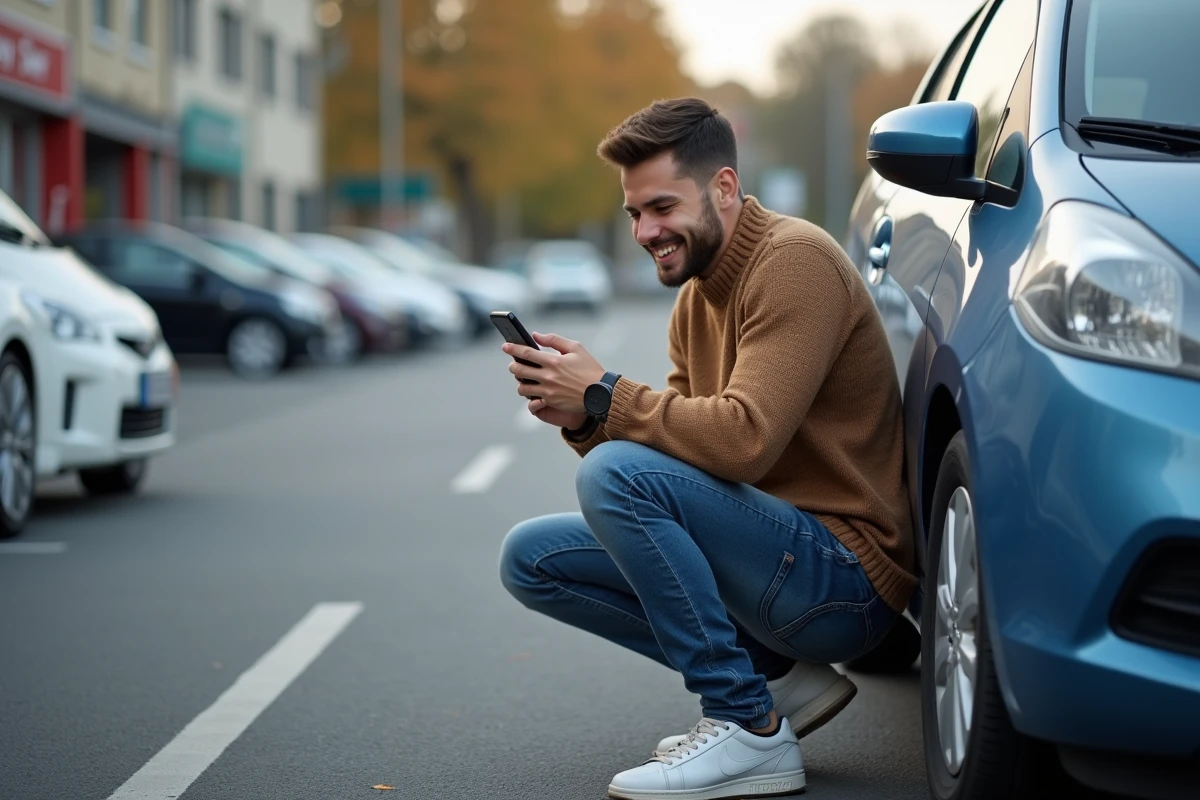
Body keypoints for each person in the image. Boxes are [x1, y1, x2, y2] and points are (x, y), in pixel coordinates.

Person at [497, 97, 916, 800]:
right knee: (531, 558)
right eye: (634, 214)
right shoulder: (697, 298)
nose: (646, 230)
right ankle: (782, 683)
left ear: (724, 188)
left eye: (661, 207)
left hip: (845, 580)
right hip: (775, 564)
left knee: (615, 475)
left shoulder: (795, 262)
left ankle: (746, 725)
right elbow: (677, 462)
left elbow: (742, 441)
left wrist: (604, 393)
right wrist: (579, 416)